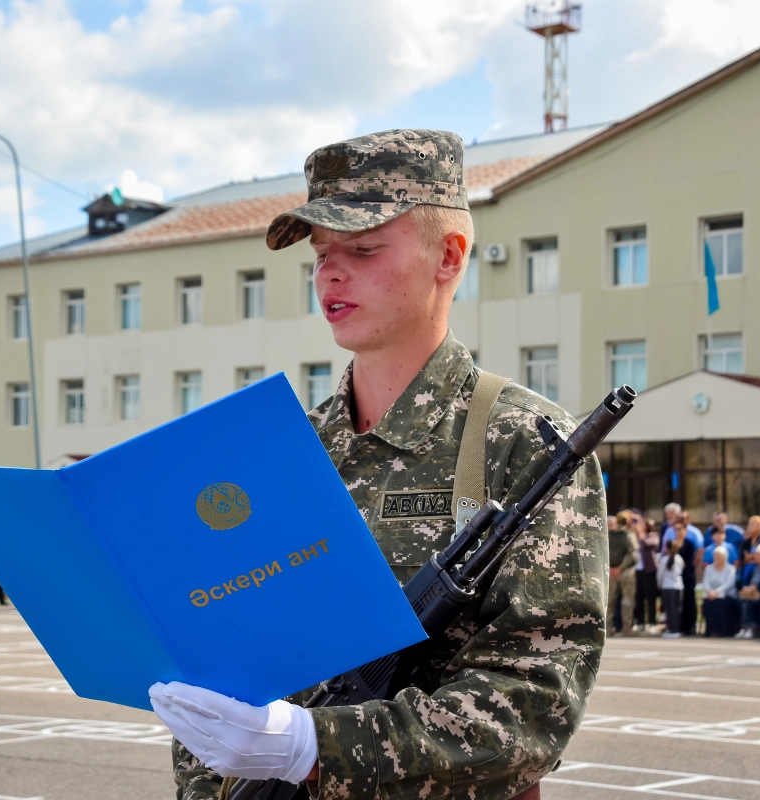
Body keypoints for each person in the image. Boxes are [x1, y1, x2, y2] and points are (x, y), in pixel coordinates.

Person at [154, 129, 607, 800]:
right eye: (322, 254)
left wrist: (315, 747)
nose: (331, 273)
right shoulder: (281, 452)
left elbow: (534, 706)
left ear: (448, 257)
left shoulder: (521, 442)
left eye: (363, 250)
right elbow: (222, 670)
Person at [608, 510, 639, 636]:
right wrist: (621, 567)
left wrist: (611, 567)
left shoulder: (608, 534)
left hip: (610, 571)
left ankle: (607, 630)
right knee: (627, 600)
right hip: (625, 571)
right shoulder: (629, 535)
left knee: (609, 602)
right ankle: (627, 629)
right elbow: (633, 553)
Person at [737, 544, 760, 638]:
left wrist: (757, 587)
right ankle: (745, 627)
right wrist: (745, 587)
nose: (757, 557)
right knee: (743, 602)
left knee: (753, 603)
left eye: (759, 554)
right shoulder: (753, 568)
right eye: (756, 554)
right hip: (750, 593)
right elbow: (746, 580)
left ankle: (751, 628)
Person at [701, 547, 739, 637]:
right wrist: (710, 591)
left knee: (721, 604)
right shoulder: (709, 568)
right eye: (715, 556)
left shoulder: (731, 568)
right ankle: (710, 630)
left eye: (719, 556)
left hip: (726, 594)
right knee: (708, 604)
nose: (717, 558)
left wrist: (717, 592)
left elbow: (728, 584)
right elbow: (705, 582)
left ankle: (722, 630)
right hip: (711, 594)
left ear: (725, 557)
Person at [635, 514, 661, 633]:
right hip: (638, 570)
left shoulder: (653, 536)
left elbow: (647, 544)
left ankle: (652, 622)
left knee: (651, 598)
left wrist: (640, 533)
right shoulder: (636, 537)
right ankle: (640, 622)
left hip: (649, 571)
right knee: (639, 597)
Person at [658, 536, 685, 639]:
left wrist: (659, 583)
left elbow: (660, 574)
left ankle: (672, 629)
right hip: (678, 587)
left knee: (670, 609)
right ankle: (676, 628)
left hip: (667, 587)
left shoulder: (664, 559)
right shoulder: (679, 559)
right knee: (676, 609)